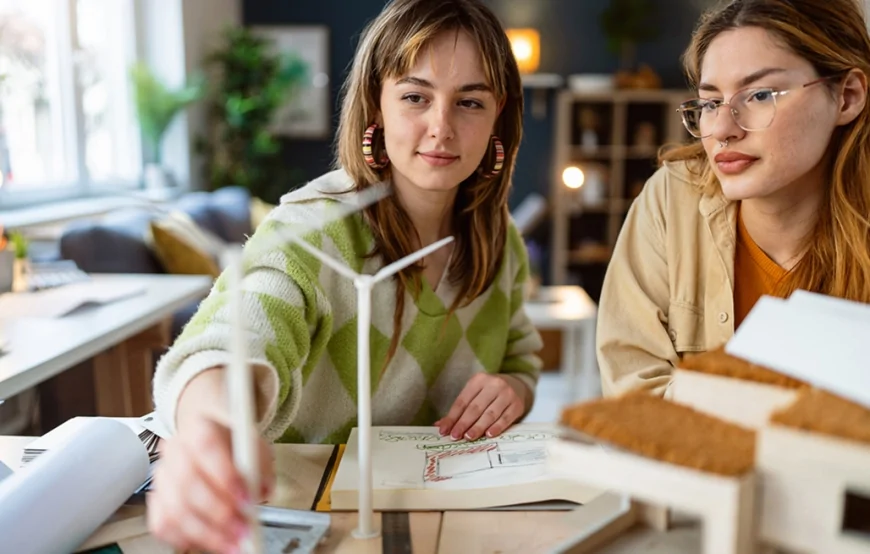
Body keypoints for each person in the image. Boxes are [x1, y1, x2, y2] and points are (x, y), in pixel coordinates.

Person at [147, 0, 542, 551]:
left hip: (438, 519)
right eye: (414, 97)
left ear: (500, 115)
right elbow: (236, 333)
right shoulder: (311, 229)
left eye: (470, 102)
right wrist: (210, 426)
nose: (441, 127)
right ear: (375, 106)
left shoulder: (498, 239)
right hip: (300, 519)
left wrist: (513, 389)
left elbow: (522, 355)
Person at [597, 0, 869, 397]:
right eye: (710, 103)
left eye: (759, 95)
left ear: (847, 96)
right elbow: (632, 393)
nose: (723, 129)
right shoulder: (671, 198)